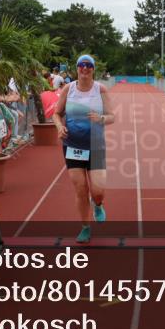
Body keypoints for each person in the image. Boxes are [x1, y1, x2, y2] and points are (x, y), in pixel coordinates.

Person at [52, 54, 114, 244]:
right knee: (80, 189)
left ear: (93, 69)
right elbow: (56, 113)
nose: (85, 69)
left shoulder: (100, 89)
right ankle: (85, 228)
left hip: (95, 146)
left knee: (98, 190)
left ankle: (98, 204)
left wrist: (101, 119)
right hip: (73, 146)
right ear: (76, 68)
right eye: (81, 65)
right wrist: (59, 127)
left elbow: (112, 116)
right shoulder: (68, 89)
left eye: (88, 65)